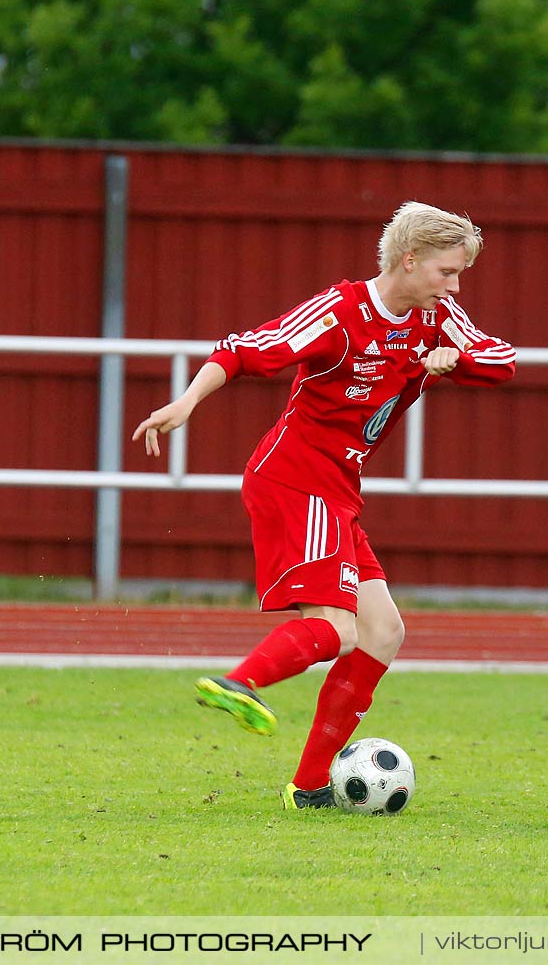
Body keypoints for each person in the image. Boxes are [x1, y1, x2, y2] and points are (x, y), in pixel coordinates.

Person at [132, 201, 516, 808]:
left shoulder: (436, 318)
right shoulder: (340, 312)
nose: (456, 285)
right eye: (448, 272)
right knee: (339, 629)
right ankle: (241, 683)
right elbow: (240, 350)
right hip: (294, 480)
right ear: (409, 259)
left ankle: (308, 788)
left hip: (337, 491)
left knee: (384, 631)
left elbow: (504, 361)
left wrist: (456, 359)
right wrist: (186, 403)